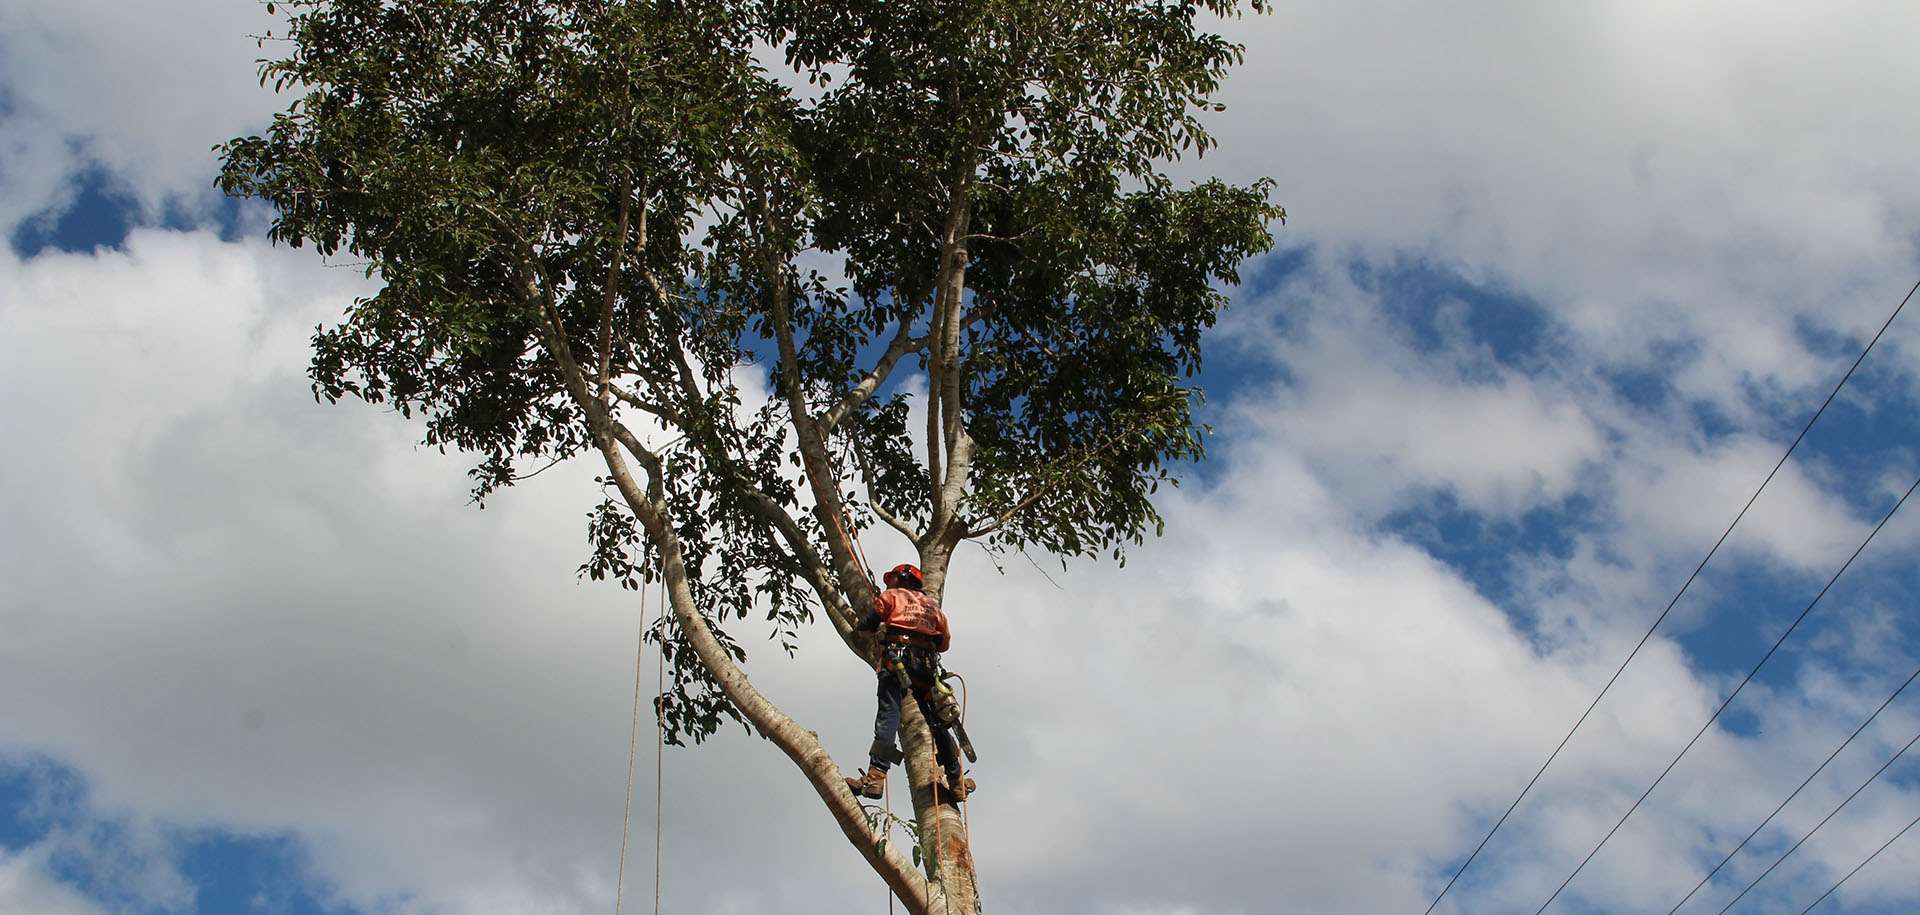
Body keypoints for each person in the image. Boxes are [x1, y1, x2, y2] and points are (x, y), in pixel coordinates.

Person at [844, 563, 974, 804]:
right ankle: (956, 782)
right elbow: (944, 643)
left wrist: (865, 630)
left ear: (903, 578)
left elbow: (864, 629)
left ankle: (876, 777)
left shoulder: (891, 596)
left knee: (889, 713)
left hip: (896, 662)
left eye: (891, 578)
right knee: (938, 722)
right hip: (925, 667)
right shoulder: (933, 607)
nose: (887, 583)